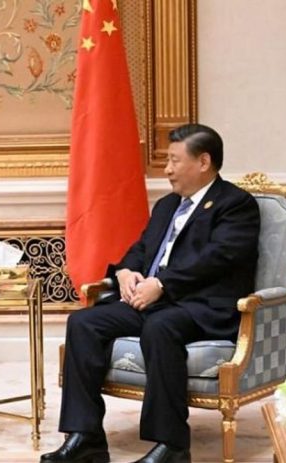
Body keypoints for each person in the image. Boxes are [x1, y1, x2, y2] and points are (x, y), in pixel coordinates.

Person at [42, 124, 260, 463]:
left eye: (174, 160)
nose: (167, 169)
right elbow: (142, 248)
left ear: (203, 162)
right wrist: (125, 272)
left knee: (161, 327)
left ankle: (171, 446)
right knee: (83, 323)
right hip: (154, 300)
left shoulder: (235, 204)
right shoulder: (167, 205)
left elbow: (217, 258)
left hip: (201, 306)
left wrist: (162, 284)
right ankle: (85, 437)